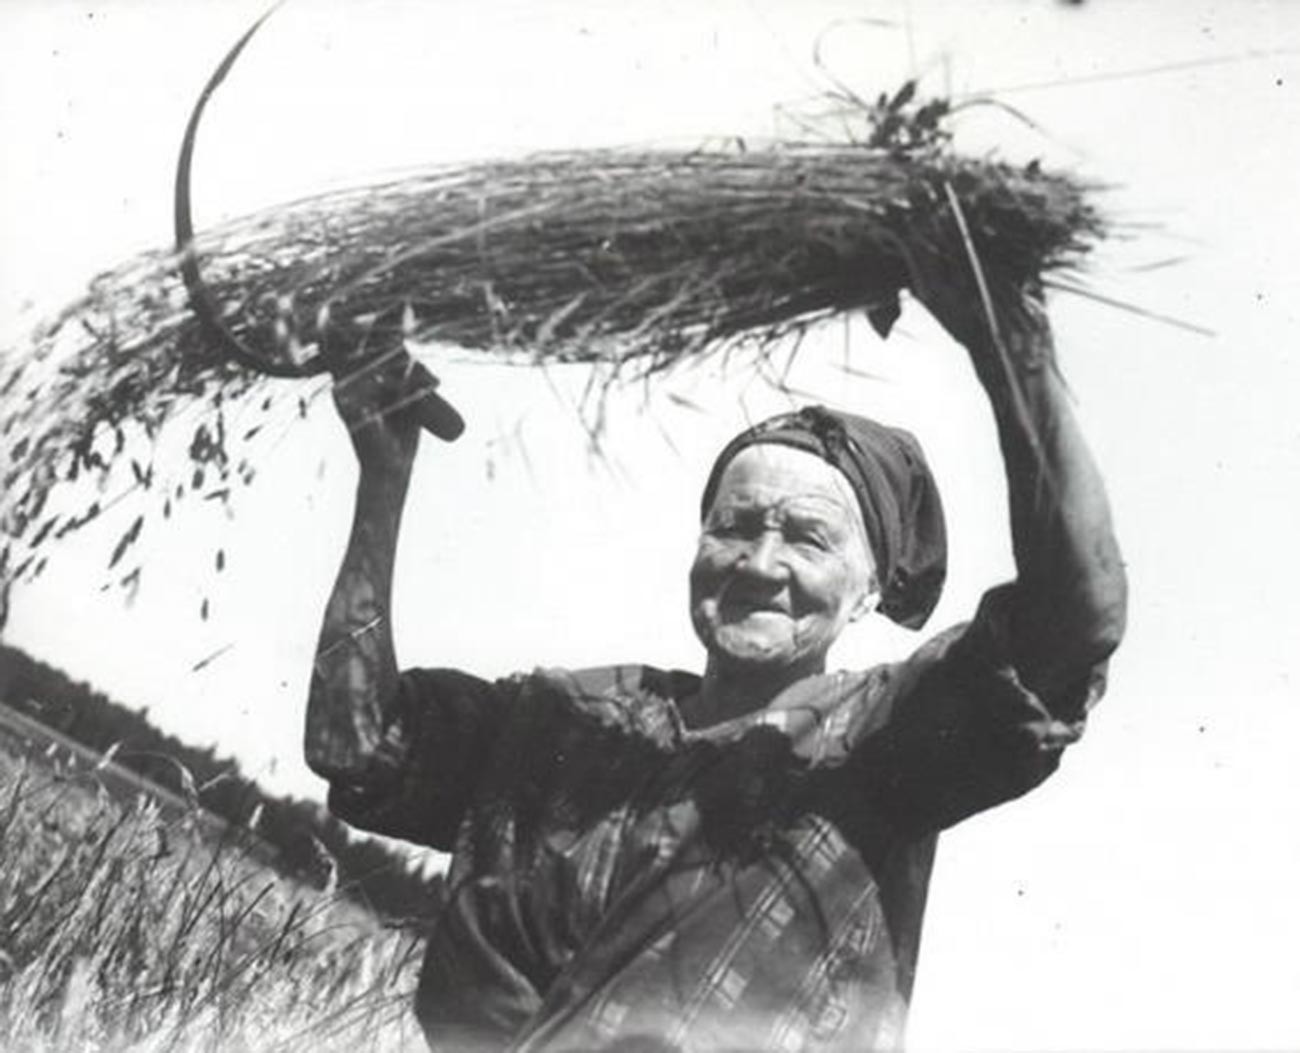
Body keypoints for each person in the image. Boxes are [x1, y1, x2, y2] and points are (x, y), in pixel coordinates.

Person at [303, 258, 1127, 1051]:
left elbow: (1076, 617)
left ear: (868, 589)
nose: (760, 563)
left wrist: (1010, 352)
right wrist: (385, 474)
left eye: (807, 538)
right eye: (734, 525)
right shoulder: (561, 722)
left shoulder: (879, 744)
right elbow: (357, 745)